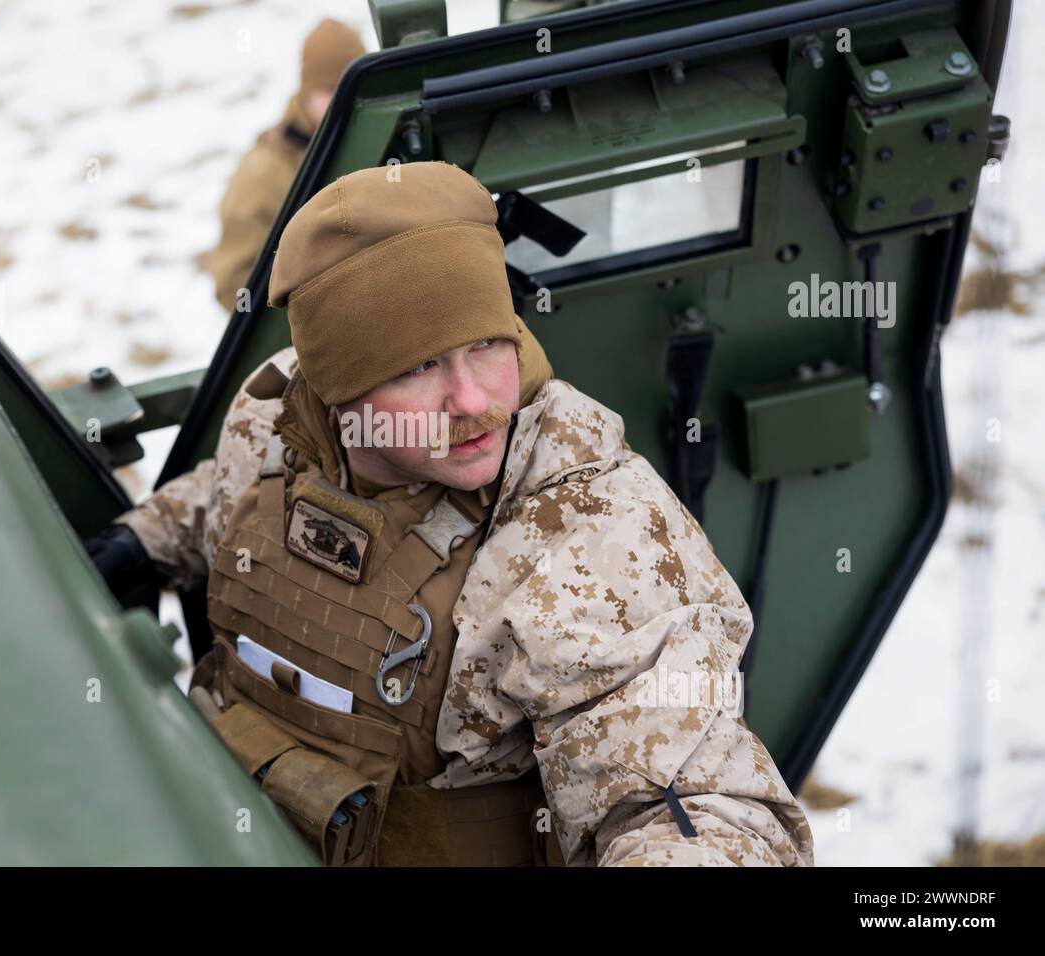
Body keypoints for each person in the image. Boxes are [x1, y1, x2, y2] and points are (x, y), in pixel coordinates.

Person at [93, 161, 816, 867]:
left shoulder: (586, 530)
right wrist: (144, 538)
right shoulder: (280, 415)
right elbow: (234, 486)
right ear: (337, 391)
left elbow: (688, 801)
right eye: (417, 367)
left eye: (485, 345)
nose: (474, 403)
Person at [197, 17, 366, 313]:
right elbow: (233, 286)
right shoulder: (263, 172)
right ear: (307, 92)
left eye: (351, 88)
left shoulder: (382, 138)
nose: (342, 101)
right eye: (330, 90)